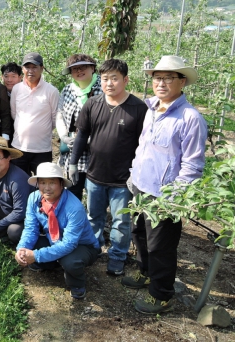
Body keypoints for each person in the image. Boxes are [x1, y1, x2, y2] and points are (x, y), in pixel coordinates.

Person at [122, 55, 207, 315]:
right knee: (140, 235)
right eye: (157, 77)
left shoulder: (191, 118)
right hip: (140, 186)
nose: (161, 82)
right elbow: (144, 147)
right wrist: (133, 175)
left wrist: (174, 199)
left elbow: (192, 166)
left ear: (182, 82)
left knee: (161, 246)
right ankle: (145, 273)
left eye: (168, 78)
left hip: (164, 196)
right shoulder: (151, 109)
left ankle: (162, 295)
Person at [69, 59, 148, 277]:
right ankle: (93, 251)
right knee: (94, 217)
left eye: (114, 78)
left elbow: (144, 145)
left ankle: (117, 257)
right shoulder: (93, 104)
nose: (109, 83)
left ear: (125, 79)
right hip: (95, 175)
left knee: (121, 222)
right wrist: (74, 162)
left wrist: (139, 174)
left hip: (123, 180)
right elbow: (82, 135)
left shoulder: (138, 108)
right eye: (105, 79)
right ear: (100, 80)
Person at [15, 163, 99, 300]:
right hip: (53, 239)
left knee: (71, 261)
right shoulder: (34, 198)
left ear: (61, 184)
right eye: (42, 182)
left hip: (81, 246)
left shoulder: (74, 207)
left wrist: (36, 255)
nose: (47, 188)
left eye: (52, 183)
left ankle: (77, 285)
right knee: (28, 245)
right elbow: (30, 228)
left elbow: (69, 244)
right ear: (37, 184)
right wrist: (22, 248)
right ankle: (52, 263)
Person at [56, 54, 102, 201]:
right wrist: (64, 136)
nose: (79, 71)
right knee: (72, 191)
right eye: (74, 69)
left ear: (92, 68)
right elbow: (60, 115)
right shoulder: (68, 90)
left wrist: (88, 140)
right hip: (73, 151)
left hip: (96, 151)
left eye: (83, 67)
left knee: (94, 194)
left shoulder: (103, 88)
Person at [11, 52, 59, 176]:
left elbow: (55, 118)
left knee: (42, 185)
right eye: (27, 67)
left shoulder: (51, 91)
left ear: (42, 68)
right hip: (18, 148)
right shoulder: (16, 89)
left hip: (42, 149)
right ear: (22, 69)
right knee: (19, 184)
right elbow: (14, 113)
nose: (30, 71)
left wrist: (40, 128)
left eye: (34, 67)